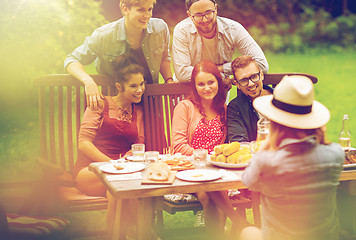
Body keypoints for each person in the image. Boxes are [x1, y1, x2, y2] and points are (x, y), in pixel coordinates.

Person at [240, 75, 345, 240]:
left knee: (247, 232)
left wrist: (266, 146)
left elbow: (248, 181)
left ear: (274, 122)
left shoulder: (266, 161)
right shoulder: (335, 155)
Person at [171, 60, 249, 237]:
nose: (206, 88)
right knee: (211, 192)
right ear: (194, 86)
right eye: (201, 84)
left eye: (211, 82)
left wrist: (217, 160)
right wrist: (206, 158)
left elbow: (227, 143)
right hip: (189, 168)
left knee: (212, 190)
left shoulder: (223, 109)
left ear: (218, 83)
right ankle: (238, 222)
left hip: (217, 169)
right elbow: (178, 145)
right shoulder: (185, 107)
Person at [64, 0, 173, 110]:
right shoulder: (104, 36)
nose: (147, 16)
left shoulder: (160, 29)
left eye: (149, 9)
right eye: (141, 10)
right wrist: (89, 82)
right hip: (116, 107)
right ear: (125, 9)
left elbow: (164, 56)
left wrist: (169, 79)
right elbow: (72, 60)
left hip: (151, 104)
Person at [172, 0, 269, 83]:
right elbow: (182, 73)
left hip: (218, 95)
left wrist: (219, 69)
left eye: (208, 13)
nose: (205, 20)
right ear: (190, 15)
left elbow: (261, 65)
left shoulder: (233, 29)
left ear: (216, 9)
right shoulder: (182, 30)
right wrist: (220, 76)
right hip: (186, 93)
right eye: (198, 16)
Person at [227, 55, 273, 143]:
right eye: (244, 80)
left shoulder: (279, 98)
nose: (251, 84)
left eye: (254, 76)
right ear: (237, 84)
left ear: (261, 75)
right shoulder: (235, 108)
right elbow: (239, 142)